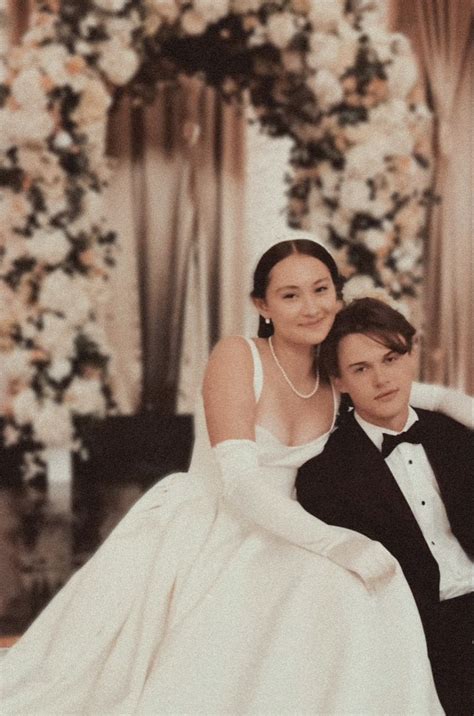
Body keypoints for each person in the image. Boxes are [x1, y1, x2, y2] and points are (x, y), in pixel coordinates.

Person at [2, 236, 471, 715]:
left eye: (320, 290)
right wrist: (335, 543)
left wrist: (463, 408)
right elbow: (241, 485)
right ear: (262, 305)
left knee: (364, 590)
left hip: (290, 526)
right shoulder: (237, 356)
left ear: (337, 295)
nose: (310, 307)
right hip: (218, 521)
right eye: (290, 296)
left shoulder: (336, 371)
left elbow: (422, 393)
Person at [296, 297, 473, 715]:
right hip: (416, 634)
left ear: (410, 358)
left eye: (390, 359)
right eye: (361, 369)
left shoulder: (458, 435)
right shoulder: (325, 475)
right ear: (338, 381)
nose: (382, 379)